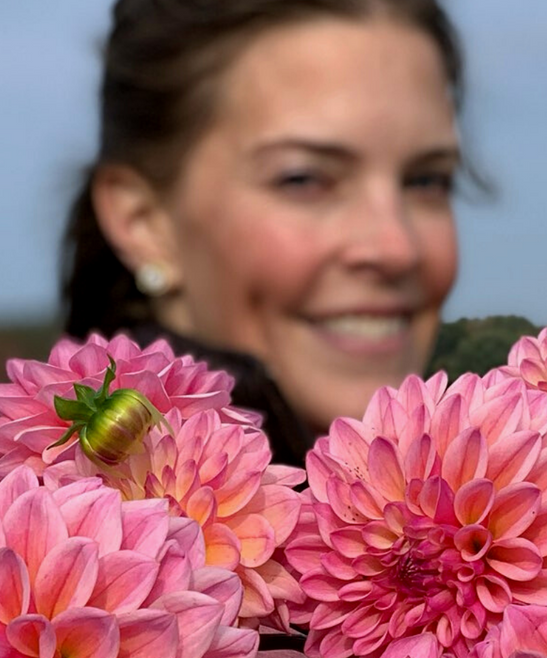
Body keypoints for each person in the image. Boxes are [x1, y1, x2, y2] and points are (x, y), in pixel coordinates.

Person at [61, 0, 468, 467]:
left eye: (427, 181)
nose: (396, 248)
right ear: (144, 223)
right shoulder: (48, 530)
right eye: (304, 179)